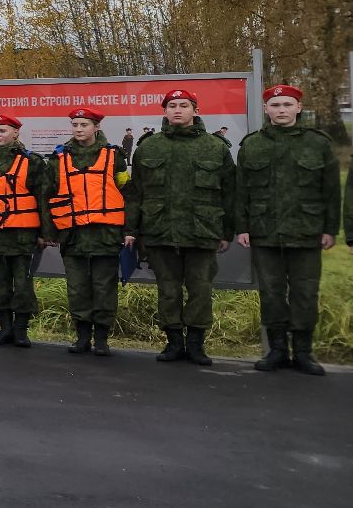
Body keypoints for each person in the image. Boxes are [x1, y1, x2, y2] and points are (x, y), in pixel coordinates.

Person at [124, 88, 237, 365]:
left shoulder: (215, 147)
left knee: (200, 290)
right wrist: (131, 230)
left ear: (195, 111)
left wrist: (226, 231)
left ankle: (196, 345)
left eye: (183, 105)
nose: (177, 110)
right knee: (168, 290)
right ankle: (173, 342)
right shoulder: (149, 147)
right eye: (171, 105)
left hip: (202, 231)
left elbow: (230, 193)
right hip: (160, 231)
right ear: (164, 111)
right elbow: (135, 192)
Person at [238, 84, 341, 376]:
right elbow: (241, 190)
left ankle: (304, 353)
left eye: (287, 104)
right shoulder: (252, 145)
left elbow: (331, 191)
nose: (281, 110)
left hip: (306, 231)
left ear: (298, 108)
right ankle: (278, 350)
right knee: (270, 293)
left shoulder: (317, 143)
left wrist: (330, 229)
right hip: (264, 231)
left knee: (305, 293)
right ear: (266, 109)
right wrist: (242, 227)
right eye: (275, 105)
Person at [50, 107, 128, 356]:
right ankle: (82, 336)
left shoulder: (114, 156)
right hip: (73, 236)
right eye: (75, 125)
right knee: (77, 288)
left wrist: (130, 230)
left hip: (106, 235)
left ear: (96, 127)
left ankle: (102, 339)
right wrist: (49, 231)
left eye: (84, 124)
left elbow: (127, 192)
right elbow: (48, 194)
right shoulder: (59, 157)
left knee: (104, 286)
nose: (79, 129)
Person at [0, 114, 52, 348]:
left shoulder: (33, 161)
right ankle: (4, 328)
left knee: (22, 284)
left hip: (23, 235)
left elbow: (43, 198)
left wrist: (44, 233)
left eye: (2, 131)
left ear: (16, 132)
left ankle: (21, 330)